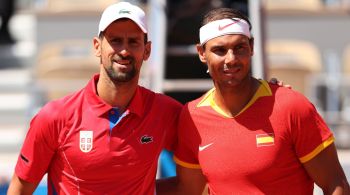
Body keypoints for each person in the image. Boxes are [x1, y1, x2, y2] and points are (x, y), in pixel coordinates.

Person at [157, 7, 350, 195]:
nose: (231, 59)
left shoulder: (291, 106)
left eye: (239, 47)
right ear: (202, 53)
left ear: (252, 47)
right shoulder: (192, 116)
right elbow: (189, 189)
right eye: (220, 50)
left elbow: (335, 183)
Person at [7, 2, 182, 194]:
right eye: (115, 40)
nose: (124, 51)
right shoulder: (55, 116)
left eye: (133, 42)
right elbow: (19, 190)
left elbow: (200, 174)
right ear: (97, 47)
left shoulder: (165, 111)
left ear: (147, 50)